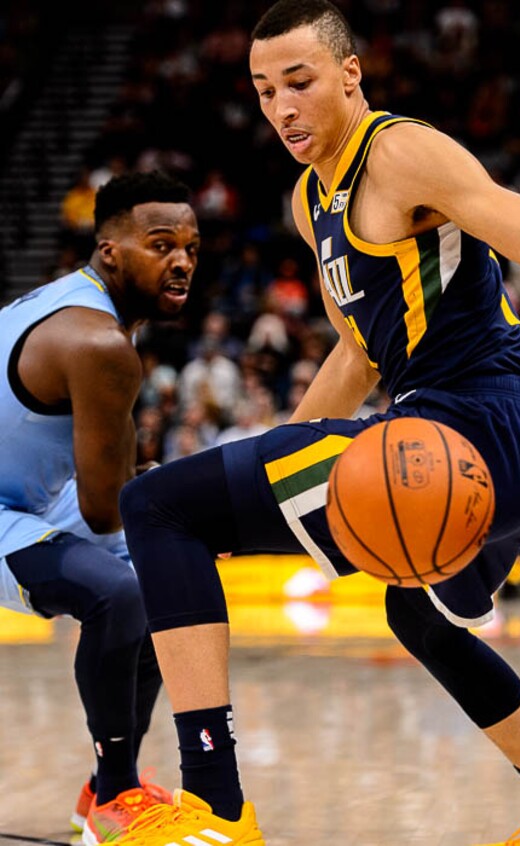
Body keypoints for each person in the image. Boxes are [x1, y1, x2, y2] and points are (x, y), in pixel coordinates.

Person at [116, 3, 520, 845]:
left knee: (159, 507)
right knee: (415, 616)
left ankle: (217, 814)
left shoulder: (399, 153)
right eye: (265, 90)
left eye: (300, 83)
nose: (282, 108)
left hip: (476, 426)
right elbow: (355, 355)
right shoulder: (311, 203)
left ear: (351, 74)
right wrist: (267, 463)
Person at [0, 171, 201, 844]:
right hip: (9, 506)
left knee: (160, 578)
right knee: (119, 592)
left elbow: (115, 480)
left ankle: (105, 787)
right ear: (110, 250)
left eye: (192, 249)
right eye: (161, 244)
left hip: (25, 497)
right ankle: (116, 796)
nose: (181, 262)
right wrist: (183, 508)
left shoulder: (90, 309)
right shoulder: (99, 343)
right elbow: (109, 508)